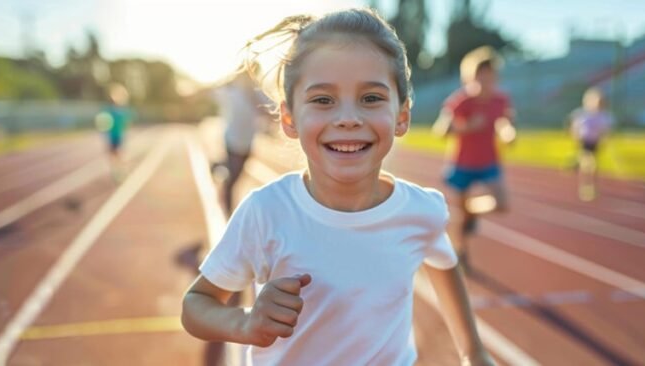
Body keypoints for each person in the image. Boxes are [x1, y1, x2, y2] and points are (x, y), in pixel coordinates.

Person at [181, 8, 493, 366]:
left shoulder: (422, 210)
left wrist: (474, 352)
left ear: (402, 116)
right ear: (289, 118)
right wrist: (246, 322)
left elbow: (444, 264)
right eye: (323, 100)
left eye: (371, 98)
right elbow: (196, 305)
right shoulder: (267, 211)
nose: (347, 118)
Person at [431, 46, 516, 272]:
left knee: (502, 203)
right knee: (459, 219)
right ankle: (461, 251)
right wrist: (467, 127)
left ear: (495, 78)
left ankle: (473, 212)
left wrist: (509, 135)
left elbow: (504, 124)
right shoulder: (461, 101)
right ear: (469, 78)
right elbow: (441, 130)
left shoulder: (500, 100)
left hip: (488, 161)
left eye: (490, 77)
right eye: (480, 77)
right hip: (462, 164)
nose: (485, 82)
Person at [215, 67, 272, 214]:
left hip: (248, 142)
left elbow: (272, 110)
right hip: (231, 139)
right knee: (232, 178)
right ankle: (227, 213)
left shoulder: (258, 94)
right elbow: (211, 91)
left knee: (238, 173)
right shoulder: (231, 91)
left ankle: (217, 165)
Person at [568, 87, 613, 201]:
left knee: (593, 166)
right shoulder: (583, 115)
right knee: (589, 164)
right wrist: (575, 137)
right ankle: (586, 186)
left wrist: (604, 140)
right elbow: (575, 127)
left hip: (595, 143)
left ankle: (590, 184)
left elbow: (605, 130)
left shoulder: (604, 116)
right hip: (585, 142)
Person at [95, 83, 132, 181]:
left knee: (115, 155)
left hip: (115, 136)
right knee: (115, 155)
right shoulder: (115, 111)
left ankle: (121, 170)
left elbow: (104, 123)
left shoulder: (113, 111)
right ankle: (119, 170)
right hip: (115, 136)